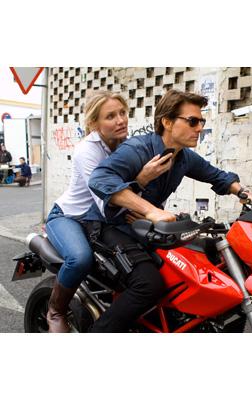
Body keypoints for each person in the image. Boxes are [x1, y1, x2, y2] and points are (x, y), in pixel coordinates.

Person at [88, 89, 252, 332]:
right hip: (112, 227)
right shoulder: (138, 149)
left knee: (213, 261)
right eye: (192, 121)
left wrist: (245, 194)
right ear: (167, 122)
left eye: (201, 121)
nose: (199, 128)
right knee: (148, 284)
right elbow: (99, 179)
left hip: (146, 228)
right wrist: (150, 210)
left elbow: (216, 176)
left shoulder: (183, 157)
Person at [45, 91, 172, 333]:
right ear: (95, 123)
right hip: (71, 217)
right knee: (80, 259)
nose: (120, 120)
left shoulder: (127, 146)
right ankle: (56, 310)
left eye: (122, 113)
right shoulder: (87, 151)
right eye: (110, 116)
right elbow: (105, 197)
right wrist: (141, 182)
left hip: (102, 219)